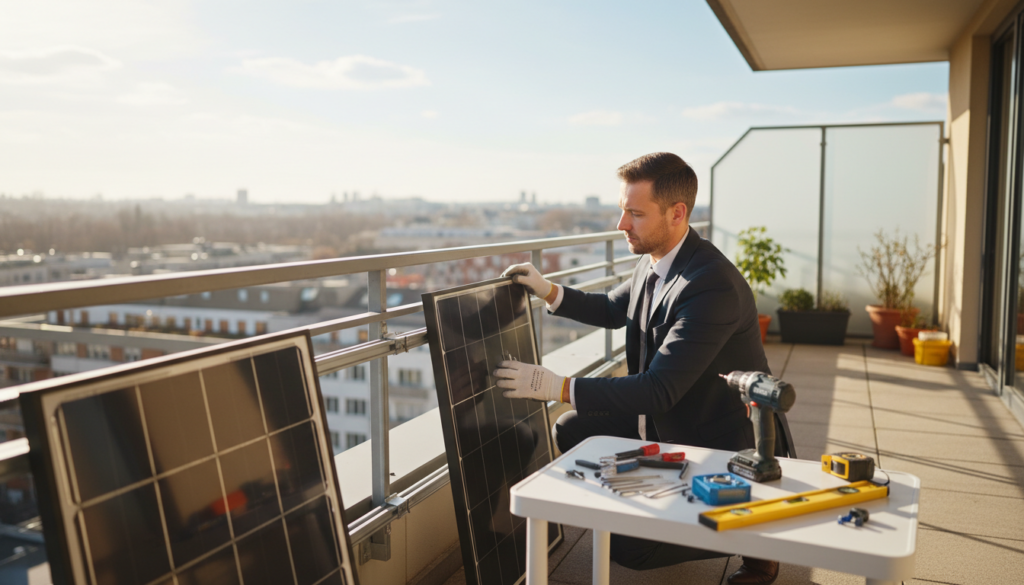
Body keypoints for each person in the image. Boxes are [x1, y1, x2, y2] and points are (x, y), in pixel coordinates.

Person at [493, 152, 781, 585]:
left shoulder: (711, 284)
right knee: (573, 428)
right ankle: (648, 504)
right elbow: (613, 308)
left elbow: (658, 390)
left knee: (628, 548)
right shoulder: (656, 257)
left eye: (635, 214)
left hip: (714, 444)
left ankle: (755, 535)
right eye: (623, 210)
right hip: (667, 420)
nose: (621, 224)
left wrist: (557, 386)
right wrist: (547, 289)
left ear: (677, 213)